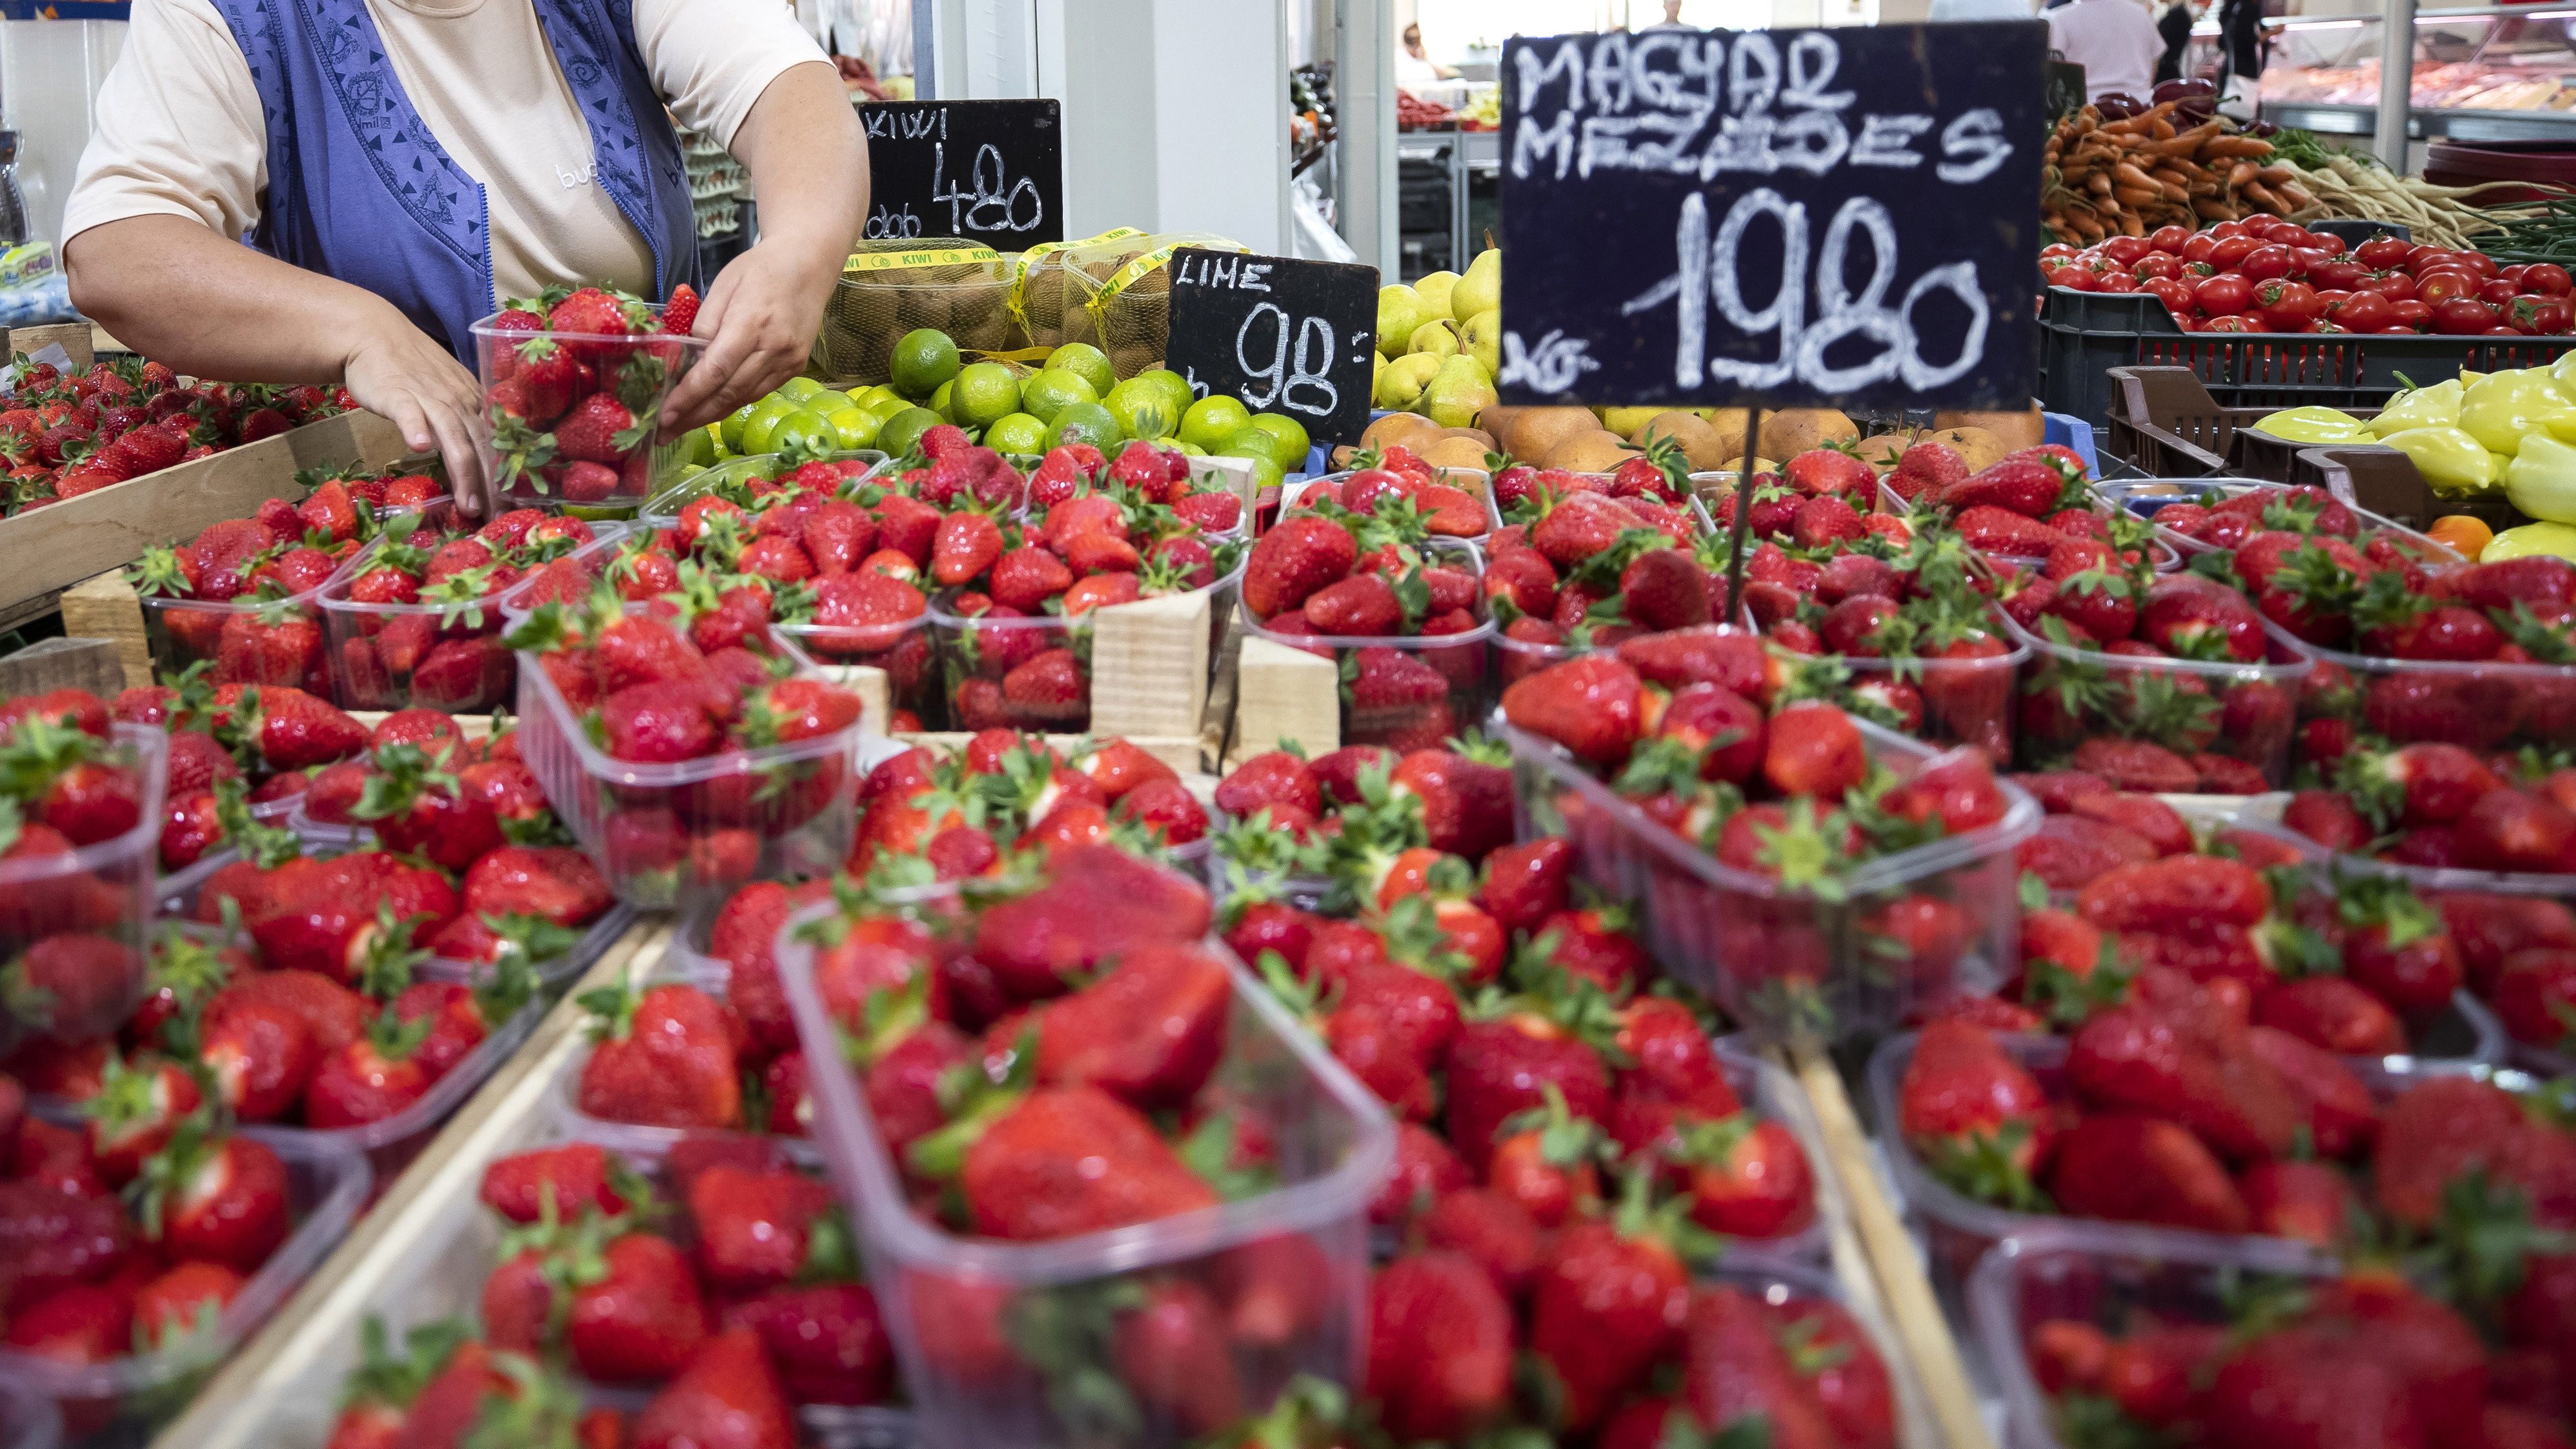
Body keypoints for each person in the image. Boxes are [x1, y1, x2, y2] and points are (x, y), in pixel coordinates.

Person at [60, 0, 869, 513]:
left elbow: (788, 84)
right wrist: (358, 329)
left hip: (647, 491)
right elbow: (118, 251)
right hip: (407, 520)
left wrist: (799, 247)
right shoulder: (225, 14)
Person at [2047, 0, 2166, 99]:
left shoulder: (2061, 18)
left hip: (2086, 109)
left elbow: (2053, 68)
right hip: (2139, 105)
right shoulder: (2141, 13)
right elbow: (2156, 58)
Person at [1396, 21, 1456, 86]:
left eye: (1417, 39)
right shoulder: (1399, 55)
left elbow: (1443, 75)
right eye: (1411, 40)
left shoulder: (1428, 53)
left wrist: (1425, 59)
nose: (1414, 43)